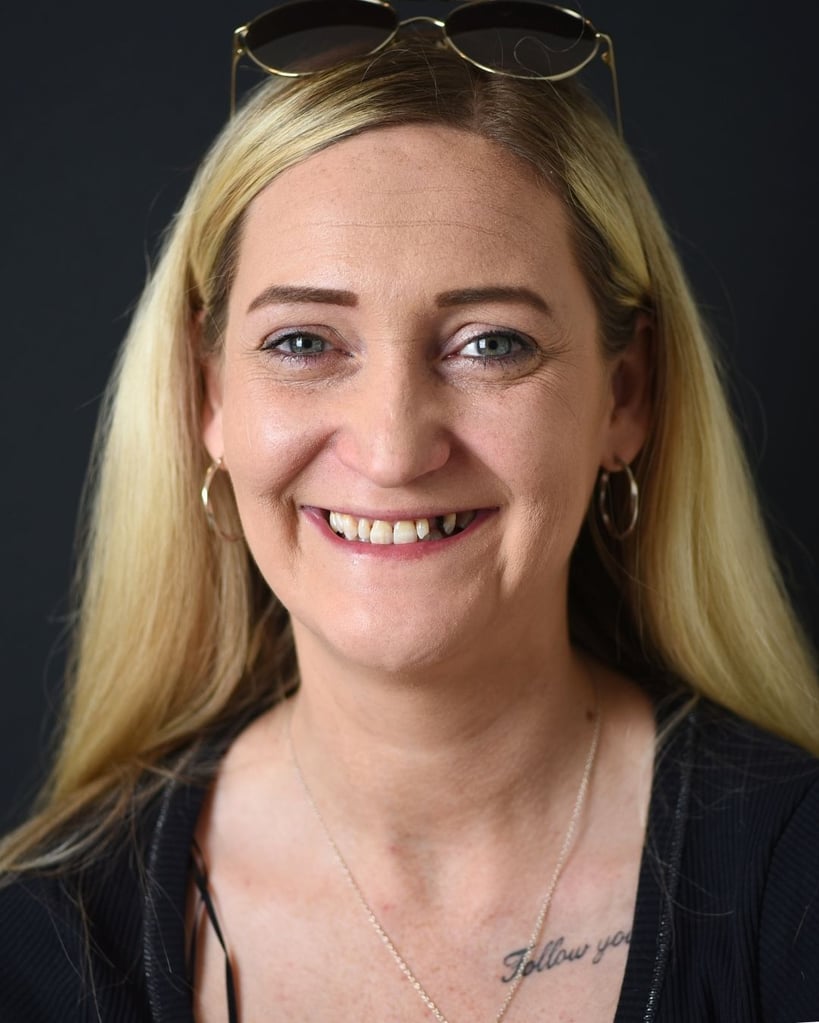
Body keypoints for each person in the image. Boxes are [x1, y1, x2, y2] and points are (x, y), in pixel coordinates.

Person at [1, 3, 817, 1020]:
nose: (392, 450)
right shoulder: (42, 943)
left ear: (625, 395)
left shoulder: (795, 889)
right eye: (303, 342)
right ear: (208, 397)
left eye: (491, 343)